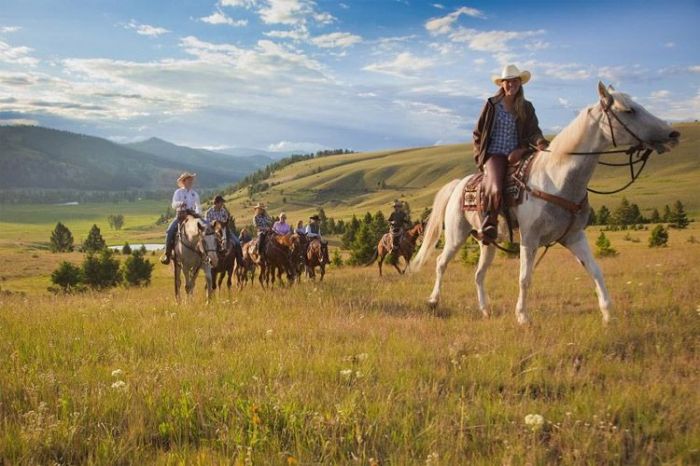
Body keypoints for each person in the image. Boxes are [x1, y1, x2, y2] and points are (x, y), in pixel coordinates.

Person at [472, 64, 549, 243]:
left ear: (519, 83)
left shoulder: (526, 107)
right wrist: (480, 158)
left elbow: (533, 131)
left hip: (518, 152)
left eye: (514, 81)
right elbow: (478, 132)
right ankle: (489, 223)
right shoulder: (492, 105)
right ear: (502, 83)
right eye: (507, 82)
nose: (511, 85)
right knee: (497, 187)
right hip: (494, 154)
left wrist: (540, 142)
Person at [160, 172, 201, 265]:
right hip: (181, 215)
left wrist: (199, 214)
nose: (191, 181)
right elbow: (173, 204)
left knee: (206, 228)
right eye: (189, 180)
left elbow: (198, 206)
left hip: (193, 215)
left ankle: (208, 253)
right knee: (170, 231)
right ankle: (167, 254)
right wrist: (180, 203)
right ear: (184, 181)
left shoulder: (194, 194)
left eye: (191, 180)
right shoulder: (178, 192)